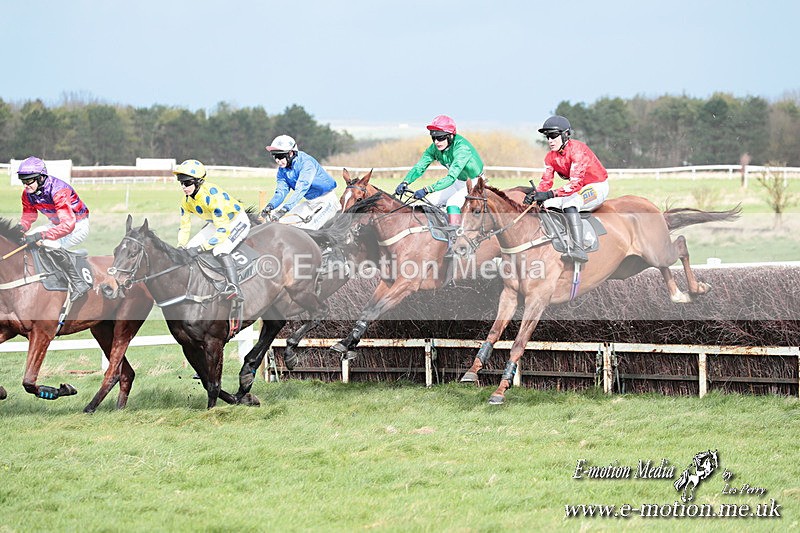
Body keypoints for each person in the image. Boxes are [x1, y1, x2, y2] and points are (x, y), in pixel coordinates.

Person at [524, 115, 609, 263]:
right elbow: (546, 182)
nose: (550, 140)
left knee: (570, 204)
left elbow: (575, 184)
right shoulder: (550, 157)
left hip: (597, 186)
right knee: (547, 204)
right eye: (547, 137)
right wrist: (536, 194)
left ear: (565, 135)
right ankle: (560, 239)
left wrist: (549, 194)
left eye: (553, 136)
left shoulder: (578, 150)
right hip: (579, 189)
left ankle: (579, 249)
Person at [17, 156, 91, 301]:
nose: (26, 185)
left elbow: (68, 225)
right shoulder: (27, 194)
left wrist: (42, 235)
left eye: (29, 180)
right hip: (58, 224)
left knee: (49, 243)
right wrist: (19, 229)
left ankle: (78, 283)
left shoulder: (58, 190)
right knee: (28, 238)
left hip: (77, 225)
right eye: (23, 181)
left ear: (40, 178)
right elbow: (28, 216)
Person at [174, 159, 250, 301]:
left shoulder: (213, 198)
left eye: (188, 183)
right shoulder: (186, 201)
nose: (184, 187)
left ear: (198, 182)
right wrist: (180, 246)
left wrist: (201, 248)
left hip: (236, 222)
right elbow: (184, 227)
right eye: (181, 183)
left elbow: (222, 231)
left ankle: (235, 287)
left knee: (219, 250)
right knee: (188, 248)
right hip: (216, 223)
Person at [394, 115, 484, 229]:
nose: (436, 142)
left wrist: (427, 189)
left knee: (452, 203)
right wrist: (405, 182)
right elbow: (419, 167)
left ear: (451, 136)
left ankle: (456, 234)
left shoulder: (461, 149)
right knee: (426, 203)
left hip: (475, 184)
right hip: (458, 182)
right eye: (434, 138)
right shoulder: (435, 148)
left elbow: (450, 177)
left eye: (440, 138)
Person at [261, 135, 340, 230]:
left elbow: (301, 188)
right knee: (283, 222)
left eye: (280, 156)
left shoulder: (306, 163)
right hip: (310, 202)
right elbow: (281, 191)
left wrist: (285, 209)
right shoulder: (282, 170)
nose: (278, 160)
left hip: (327, 201)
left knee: (308, 229)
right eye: (275, 156)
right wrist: (270, 206)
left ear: (291, 153)